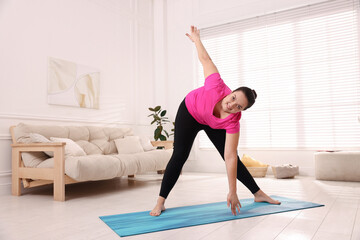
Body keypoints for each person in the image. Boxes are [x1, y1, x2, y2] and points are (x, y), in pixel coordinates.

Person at [150, 26, 280, 217]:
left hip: (212, 123)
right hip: (190, 111)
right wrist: (196, 39)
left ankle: (258, 193)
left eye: (239, 107)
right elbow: (205, 60)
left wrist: (233, 191)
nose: (232, 105)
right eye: (234, 98)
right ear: (231, 92)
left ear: (241, 111)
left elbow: (230, 157)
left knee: (232, 156)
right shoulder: (216, 85)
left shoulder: (233, 122)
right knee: (179, 155)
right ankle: (160, 202)